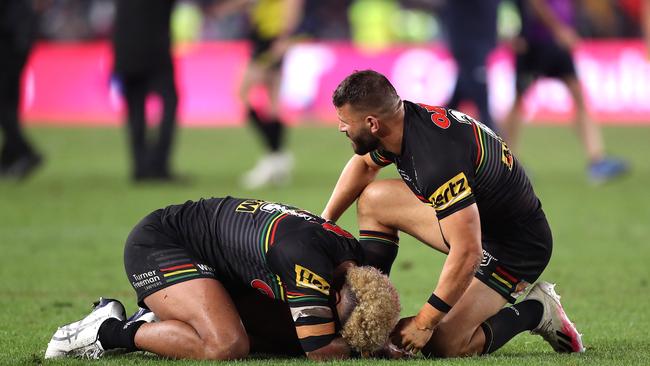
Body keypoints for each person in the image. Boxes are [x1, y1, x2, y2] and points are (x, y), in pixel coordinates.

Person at [322, 70, 584, 357]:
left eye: (344, 122)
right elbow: (364, 165)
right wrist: (326, 222)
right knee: (375, 200)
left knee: (444, 344)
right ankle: (368, 314)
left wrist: (424, 322)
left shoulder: (435, 160)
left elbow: (468, 251)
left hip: (515, 248)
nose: (340, 128)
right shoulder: (401, 123)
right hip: (476, 224)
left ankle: (537, 310)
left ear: (372, 123)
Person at [45, 196, 402, 360]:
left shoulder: (349, 257)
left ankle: (162, 317)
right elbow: (321, 350)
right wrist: (368, 348)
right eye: (337, 316)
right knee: (225, 346)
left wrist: (375, 337)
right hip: (162, 243)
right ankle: (105, 330)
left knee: (290, 338)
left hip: (222, 266)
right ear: (337, 295)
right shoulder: (305, 262)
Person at [501, 0, 628, 184]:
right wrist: (559, 29)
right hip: (536, 42)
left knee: (578, 97)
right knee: (519, 102)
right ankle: (506, 163)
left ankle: (597, 160)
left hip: (555, 43)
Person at [211, 0, 305, 189]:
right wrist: (226, 9)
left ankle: (273, 155)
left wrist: (285, 37)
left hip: (272, 40)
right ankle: (278, 158)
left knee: (243, 92)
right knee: (272, 103)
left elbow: (293, 5)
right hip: (264, 38)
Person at [112, 0, 179, 182]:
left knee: (135, 110)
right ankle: (158, 165)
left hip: (125, 51)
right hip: (155, 51)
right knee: (169, 102)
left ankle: (141, 167)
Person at [0, 0, 43, 180]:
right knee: (10, 103)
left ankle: (25, 151)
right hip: (19, 41)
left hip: (10, 43)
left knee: (4, 104)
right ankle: (9, 159)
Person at [443, 0, 499, 131]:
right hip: (468, 43)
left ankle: (432, 131)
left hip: (481, 43)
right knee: (481, 97)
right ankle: (494, 142)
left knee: (461, 93)